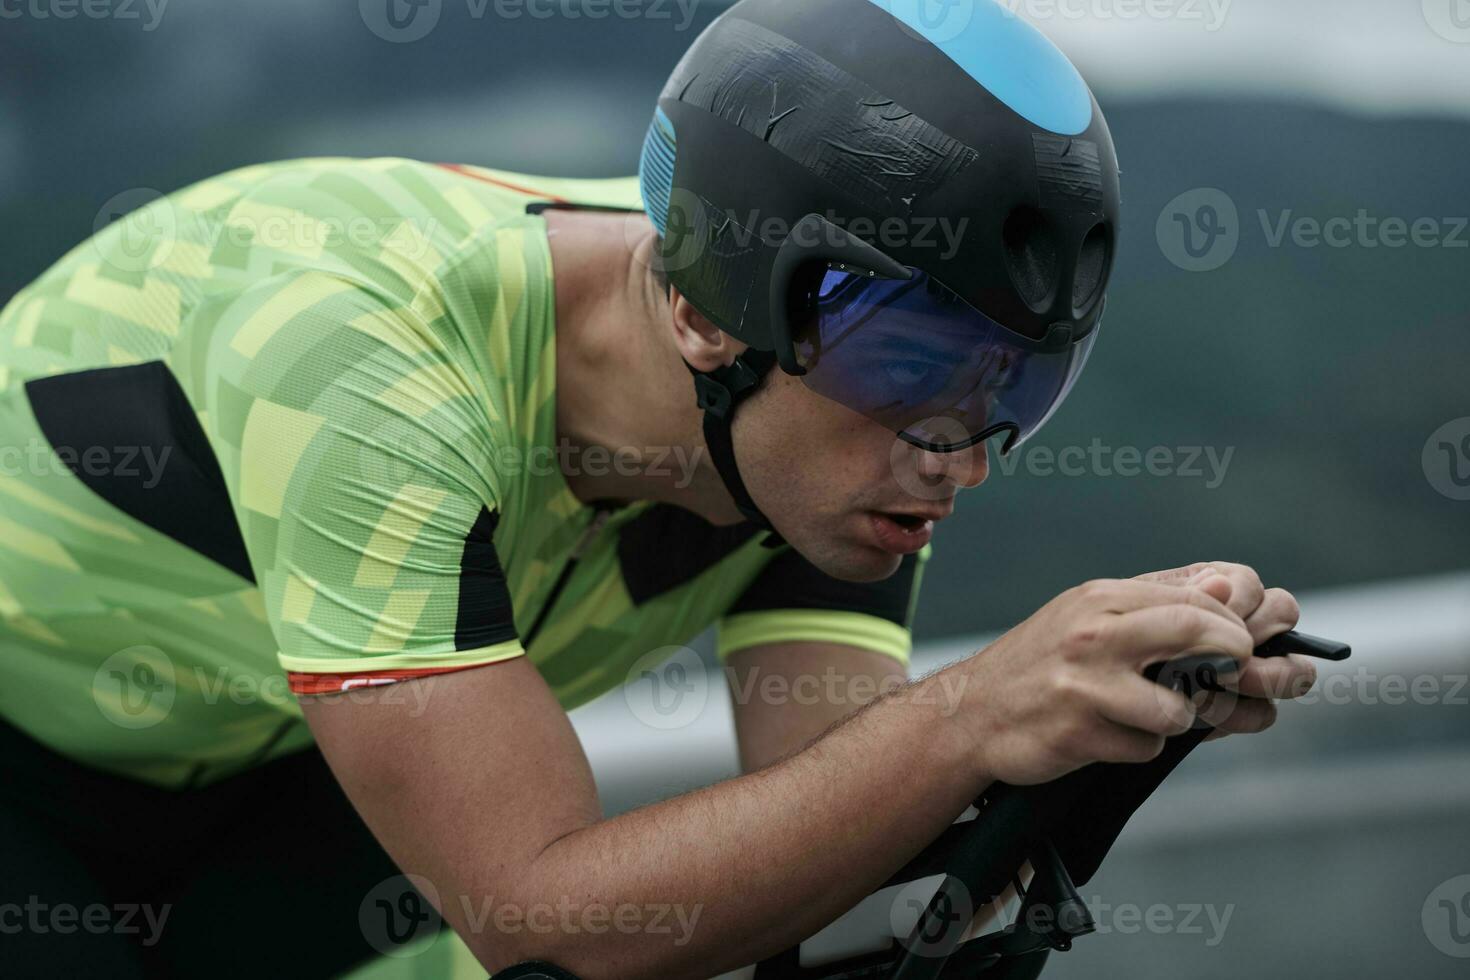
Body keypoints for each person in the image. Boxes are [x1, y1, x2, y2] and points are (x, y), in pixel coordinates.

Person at [0, 0, 1316, 976]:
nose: (959, 451)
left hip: (290, 778)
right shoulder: (364, 360)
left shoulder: (823, 414)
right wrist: (972, 711)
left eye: (1012, 389)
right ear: (700, 316)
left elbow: (829, 826)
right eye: (915, 369)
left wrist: (1087, 722)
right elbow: (541, 921)